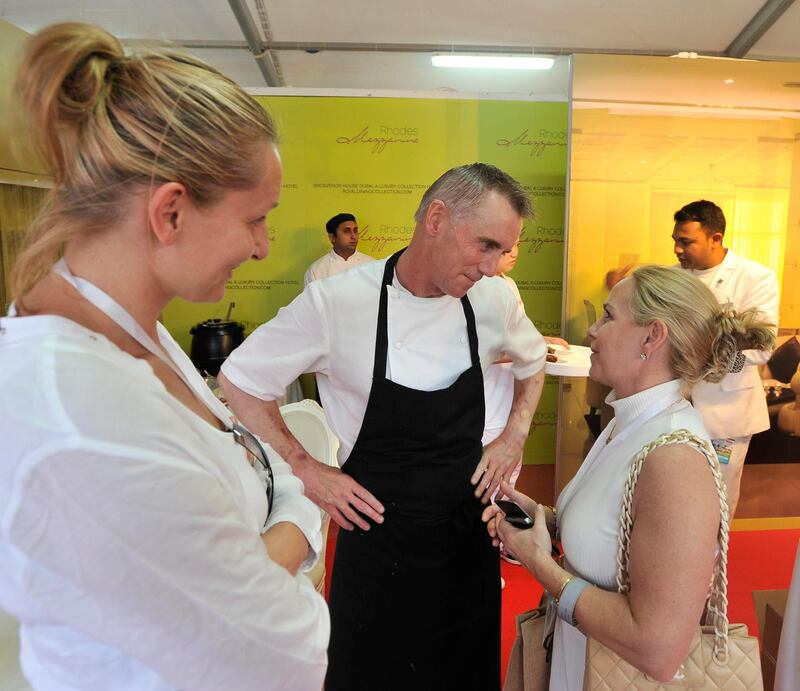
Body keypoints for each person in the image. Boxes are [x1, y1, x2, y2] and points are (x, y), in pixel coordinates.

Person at [0, 23, 328, 691]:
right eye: (255, 218)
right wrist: (294, 536)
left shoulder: (138, 334)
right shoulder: (80, 418)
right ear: (170, 212)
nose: (265, 246)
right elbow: (286, 651)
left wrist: (271, 540)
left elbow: (274, 477)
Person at [219, 163, 548, 691]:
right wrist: (307, 469)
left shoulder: (494, 299)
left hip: (466, 539)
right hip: (376, 542)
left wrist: (514, 436)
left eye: (500, 250)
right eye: (485, 245)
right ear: (436, 218)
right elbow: (241, 379)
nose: (491, 267)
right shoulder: (337, 301)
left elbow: (534, 364)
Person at [483, 265, 774, 690]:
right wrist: (544, 518)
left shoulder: (673, 457)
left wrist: (539, 563)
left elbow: (657, 649)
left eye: (607, 316)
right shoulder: (630, 422)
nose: (594, 331)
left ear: (652, 337)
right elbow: (616, 530)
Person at [672, 199, 779, 516]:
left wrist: (708, 347)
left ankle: (713, 564)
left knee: (719, 490)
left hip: (726, 412)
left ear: (715, 238)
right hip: (675, 405)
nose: (678, 249)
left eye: (686, 241)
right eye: (675, 241)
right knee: (676, 489)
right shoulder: (672, 277)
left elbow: (762, 345)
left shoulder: (755, 277)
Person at [303, 212, 374, 285]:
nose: (353, 236)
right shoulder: (316, 271)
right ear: (332, 237)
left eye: (355, 231)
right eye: (346, 231)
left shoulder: (372, 265)